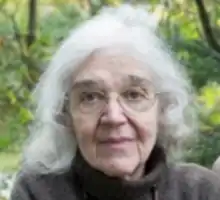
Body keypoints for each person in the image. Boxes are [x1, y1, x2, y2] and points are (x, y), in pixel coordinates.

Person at [10, 4, 220, 200]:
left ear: (162, 110)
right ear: (65, 115)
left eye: (134, 95)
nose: (114, 117)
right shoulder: (38, 191)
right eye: (90, 97)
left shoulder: (200, 190)